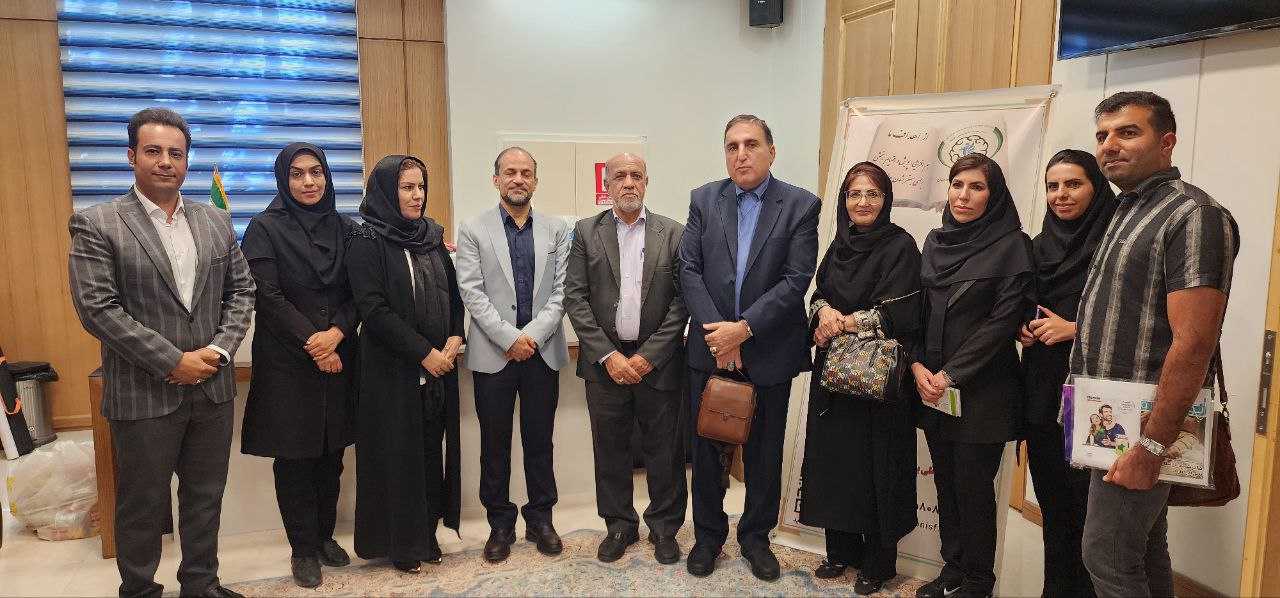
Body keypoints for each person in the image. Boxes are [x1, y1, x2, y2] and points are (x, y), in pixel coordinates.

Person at [68, 107, 255, 598]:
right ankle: (139, 589)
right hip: (143, 391)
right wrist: (172, 360)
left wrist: (218, 351)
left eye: (176, 153)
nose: (166, 162)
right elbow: (97, 309)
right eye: (154, 151)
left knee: (205, 497)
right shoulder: (97, 223)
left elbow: (241, 292)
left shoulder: (216, 221)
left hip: (211, 388)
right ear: (132, 156)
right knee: (142, 503)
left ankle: (201, 583)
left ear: (187, 161)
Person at [1075, 92, 1238, 598]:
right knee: (1142, 552)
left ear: (1167, 141)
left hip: (1144, 426)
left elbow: (1194, 343)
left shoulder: (1194, 214)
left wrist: (1151, 446)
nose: (1109, 145)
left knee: (1105, 556)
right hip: (1111, 418)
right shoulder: (1127, 209)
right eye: (1102, 135)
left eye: (1128, 132)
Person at [680, 114, 820, 581]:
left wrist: (743, 330)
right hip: (710, 349)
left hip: (768, 351)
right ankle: (707, 537)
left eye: (751, 144)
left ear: (771, 151)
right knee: (706, 451)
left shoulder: (800, 205)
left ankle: (756, 538)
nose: (741, 154)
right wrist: (719, 337)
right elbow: (688, 270)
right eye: (732, 146)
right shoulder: (704, 199)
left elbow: (796, 279)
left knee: (764, 454)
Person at [912, 153, 1034, 598]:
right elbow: (920, 313)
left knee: (974, 489)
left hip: (983, 392)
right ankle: (953, 568)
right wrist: (919, 368)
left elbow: (1001, 323)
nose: (963, 196)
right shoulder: (935, 241)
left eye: (976, 187)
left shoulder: (1013, 245)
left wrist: (951, 374)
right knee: (945, 483)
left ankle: (979, 582)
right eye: (957, 184)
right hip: (933, 388)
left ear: (993, 195)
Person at [239, 143, 360, 588]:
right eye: (297, 174)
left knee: (332, 455)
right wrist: (315, 343)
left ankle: (325, 537)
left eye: (316, 172)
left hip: (339, 357)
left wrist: (337, 334)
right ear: (283, 179)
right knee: (295, 460)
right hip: (288, 362)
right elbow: (266, 296)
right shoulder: (264, 228)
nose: (308, 182)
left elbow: (360, 292)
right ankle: (303, 549)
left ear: (327, 176)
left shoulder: (347, 229)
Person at [799, 162, 921, 595]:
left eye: (873, 194)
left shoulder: (901, 246)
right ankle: (841, 551)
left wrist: (845, 322)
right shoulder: (839, 245)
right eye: (854, 194)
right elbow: (819, 294)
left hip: (878, 381)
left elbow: (903, 311)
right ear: (844, 200)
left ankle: (878, 563)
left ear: (886, 200)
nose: (863, 202)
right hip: (834, 377)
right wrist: (823, 313)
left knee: (877, 468)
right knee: (836, 464)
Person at [563, 153, 689, 565]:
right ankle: (619, 526)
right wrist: (608, 355)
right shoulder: (586, 232)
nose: (629, 182)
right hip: (605, 365)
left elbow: (682, 302)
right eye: (620, 176)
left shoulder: (674, 233)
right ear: (608, 184)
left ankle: (664, 528)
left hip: (659, 363)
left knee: (664, 452)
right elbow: (575, 298)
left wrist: (649, 356)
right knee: (610, 451)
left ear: (646, 182)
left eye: (636, 175)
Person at [347, 155, 465, 574]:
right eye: (407, 188)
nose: (417, 195)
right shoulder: (366, 240)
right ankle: (400, 543)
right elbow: (374, 310)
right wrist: (424, 353)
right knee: (398, 458)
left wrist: (455, 336)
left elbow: (453, 296)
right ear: (385, 192)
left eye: (421, 187)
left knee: (430, 454)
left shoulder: (431, 236)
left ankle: (426, 533)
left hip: (437, 371)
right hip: (391, 373)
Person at [455, 147, 571, 563]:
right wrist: (509, 338)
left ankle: (541, 519)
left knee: (540, 441)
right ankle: (500, 525)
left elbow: (562, 292)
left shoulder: (558, 230)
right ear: (496, 179)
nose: (518, 179)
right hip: (494, 355)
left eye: (525, 172)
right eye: (510, 172)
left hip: (542, 353)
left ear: (535, 180)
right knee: (494, 444)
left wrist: (532, 337)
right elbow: (472, 292)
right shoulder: (473, 229)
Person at [1018, 148, 1117, 598]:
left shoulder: (1115, 242)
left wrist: (1076, 329)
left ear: (1096, 187)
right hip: (1043, 393)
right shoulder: (1039, 246)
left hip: (1099, 399)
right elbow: (1028, 302)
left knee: (1094, 519)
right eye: (1053, 186)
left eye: (1074, 184)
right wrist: (1023, 326)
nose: (1061, 194)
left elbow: (1140, 317)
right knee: (1055, 510)